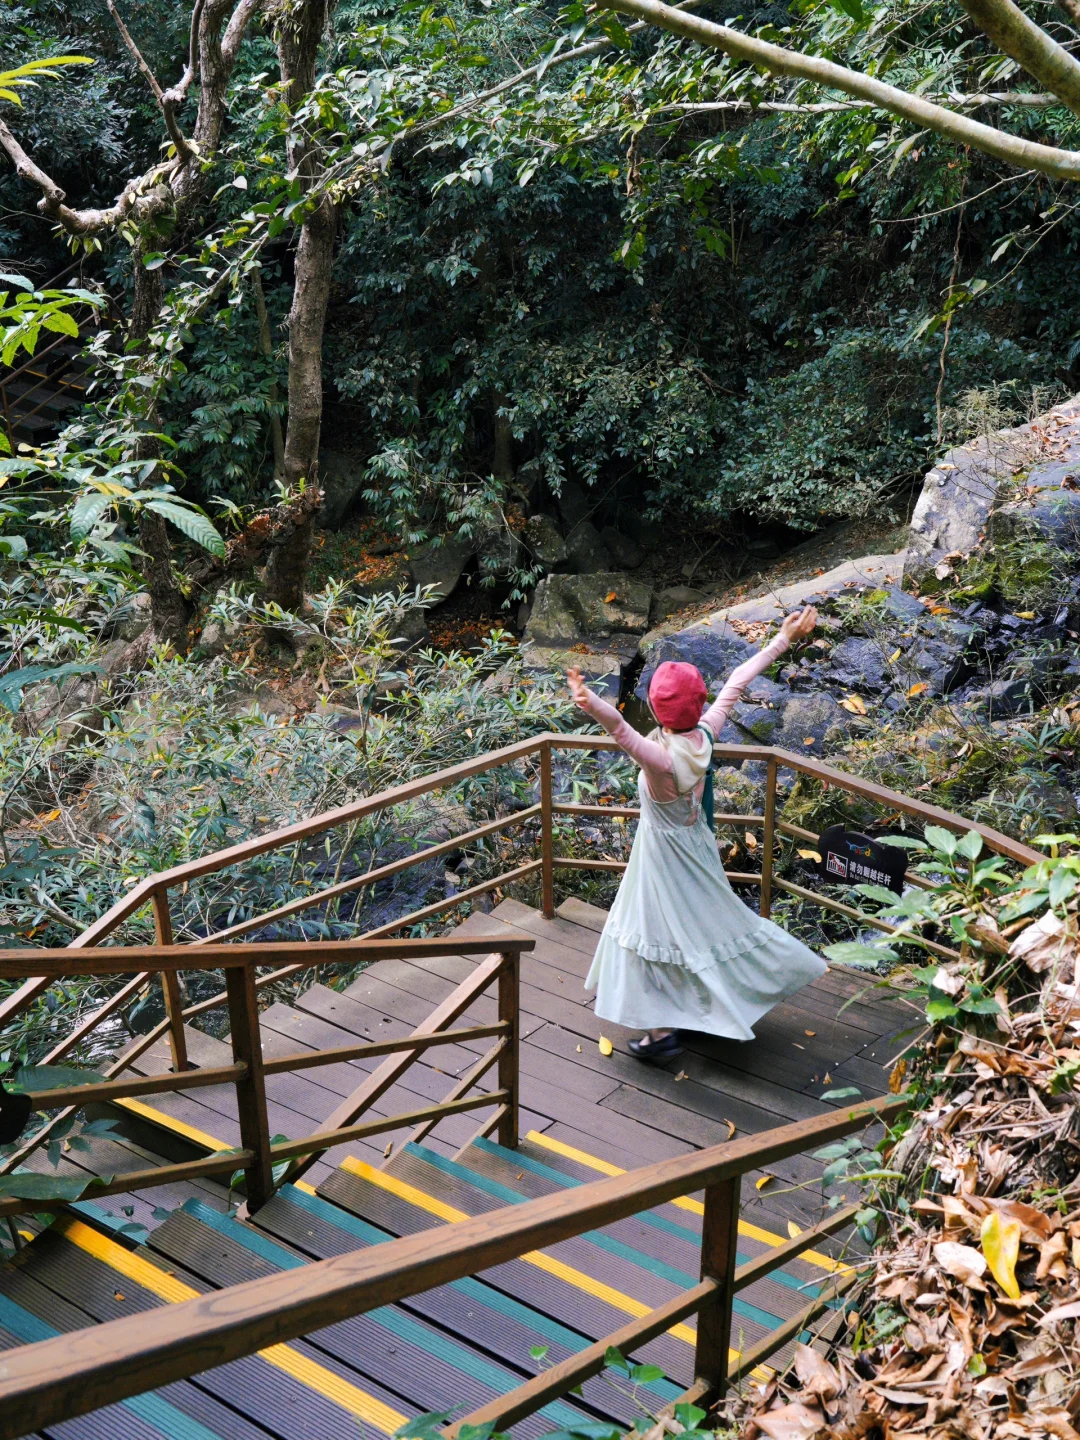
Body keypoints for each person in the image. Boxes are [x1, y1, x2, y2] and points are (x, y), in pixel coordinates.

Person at [567, 606, 827, 1062]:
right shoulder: (705, 734)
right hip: (697, 846)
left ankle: (662, 1033)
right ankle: (702, 1012)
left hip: (661, 857)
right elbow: (737, 683)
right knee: (707, 924)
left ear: (655, 708)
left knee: (652, 933)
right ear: (700, 703)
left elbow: (620, 729)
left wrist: (590, 701)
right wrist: (781, 638)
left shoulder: (659, 759)